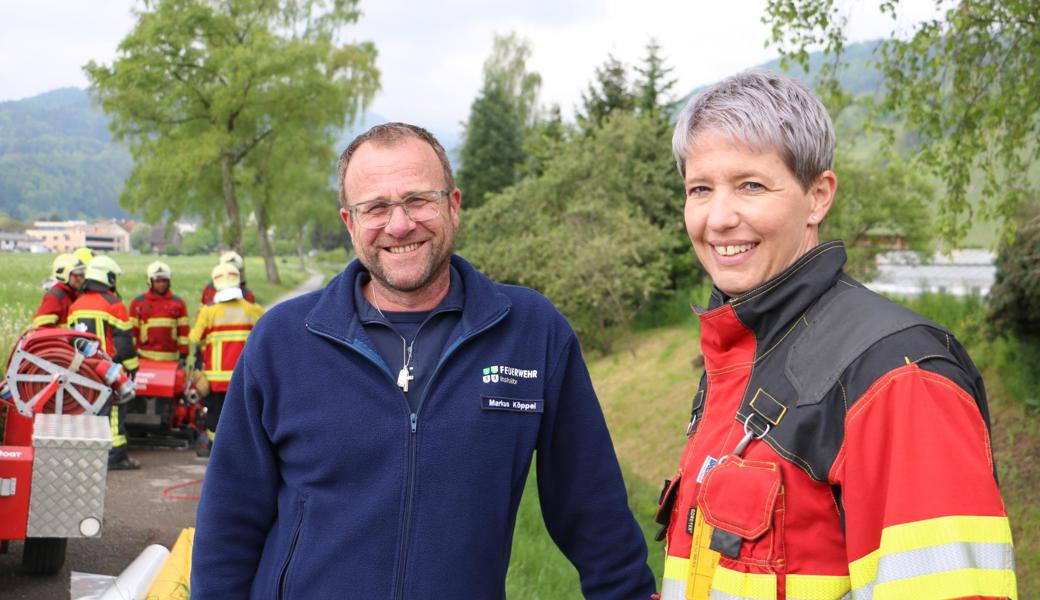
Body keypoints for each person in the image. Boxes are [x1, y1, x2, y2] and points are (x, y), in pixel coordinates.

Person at [191, 122, 656, 599]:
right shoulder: (283, 340)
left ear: (452, 206)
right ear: (350, 223)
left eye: (418, 200)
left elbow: (592, 508)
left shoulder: (531, 332)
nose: (399, 225)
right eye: (375, 207)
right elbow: (229, 520)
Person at [656, 70, 1016, 600]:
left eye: (751, 185)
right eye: (700, 189)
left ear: (818, 196)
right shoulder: (741, 350)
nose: (718, 218)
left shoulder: (897, 375)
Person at [68, 255, 141, 470]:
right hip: (108, 369)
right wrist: (132, 366)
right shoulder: (114, 305)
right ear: (107, 277)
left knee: (88, 410)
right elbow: (124, 341)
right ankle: (116, 457)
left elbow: (69, 337)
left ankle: (88, 457)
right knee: (116, 409)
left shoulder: (76, 305)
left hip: (82, 369)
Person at [189, 262, 264, 457]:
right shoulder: (253, 310)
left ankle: (216, 452)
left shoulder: (209, 311)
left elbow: (195, 338)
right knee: (243, 416)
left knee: (215, 416)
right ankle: (241, 453)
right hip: (243, 377)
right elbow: (266, 338)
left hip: (216, 381)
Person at [129, 261, 190, 363]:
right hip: (144, 359)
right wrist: (132, 354)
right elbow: (133, 332)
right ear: (150, 282)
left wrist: (183, 353)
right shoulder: (138, 303)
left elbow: (183, 332)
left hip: (171, 360)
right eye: (157, 281)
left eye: (164, 281)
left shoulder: (178, 303)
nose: (161, 284)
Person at [32, 253, 85, 328]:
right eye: (76, 275)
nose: (80, 278)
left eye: (82, 275)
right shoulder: (54, 297)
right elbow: (43, 327)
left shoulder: (74, 294)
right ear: (63, 275)